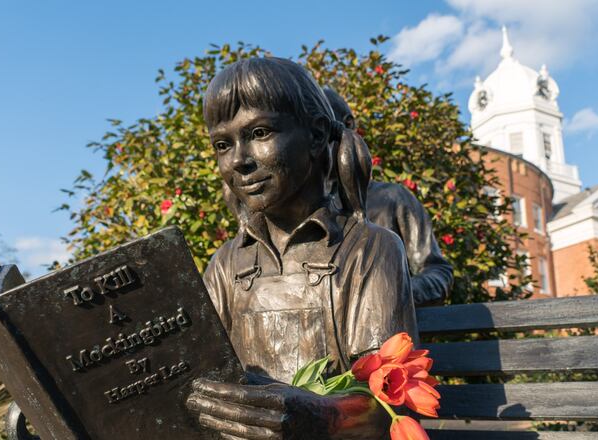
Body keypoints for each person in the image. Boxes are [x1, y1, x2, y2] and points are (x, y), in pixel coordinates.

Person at [188, 57, 418, 439]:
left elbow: (387, 402)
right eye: (223, 144)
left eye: (260, 133)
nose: (240, 161)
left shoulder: (368, 250)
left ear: (315, 135)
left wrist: (319, 417)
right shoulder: (228, 263)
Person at [323, 88, 454, 306]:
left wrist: (393, 292)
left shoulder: (393, 198)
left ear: (349, 126)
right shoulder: (296, 209)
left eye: (324, 133)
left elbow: (438, 271)